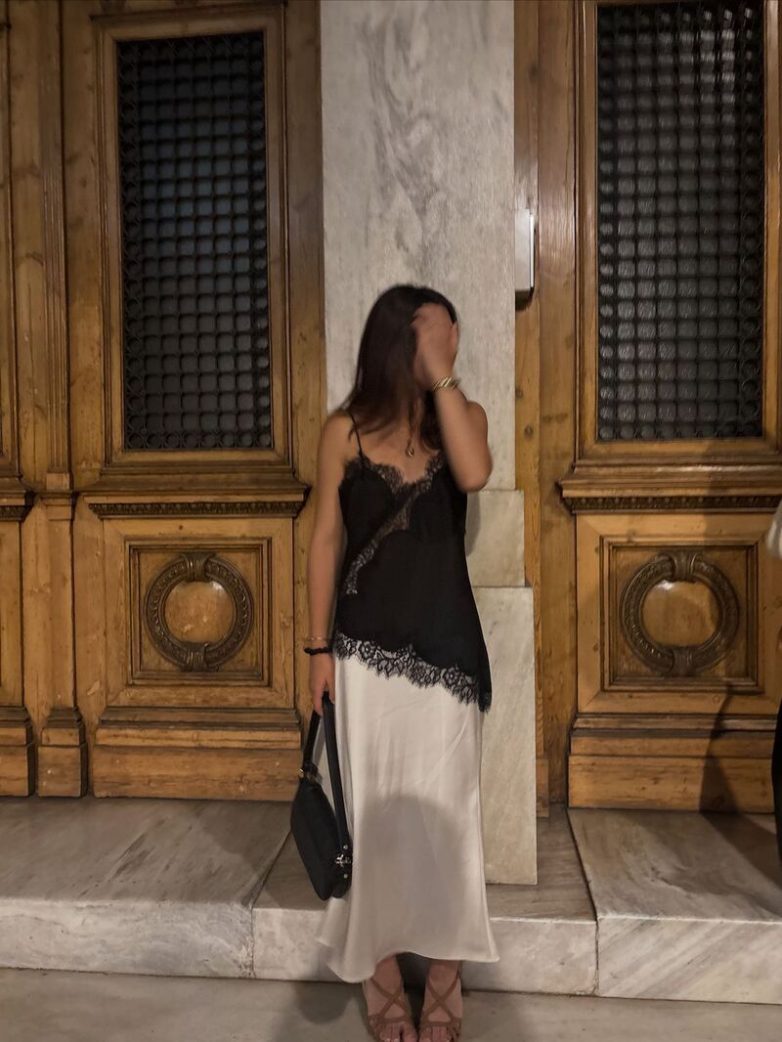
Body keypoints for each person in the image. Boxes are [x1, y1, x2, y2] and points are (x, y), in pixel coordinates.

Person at [305, 284, 499, 1042]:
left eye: (453, 335)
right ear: (399, 342)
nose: (452, 345)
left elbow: (474, 474)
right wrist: (316, 649)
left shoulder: (464, 418)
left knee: (450, 818)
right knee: (374, 818)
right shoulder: (344, 431)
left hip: (446, 652)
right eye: (435, 336)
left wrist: (442, 375)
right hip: (361, 655)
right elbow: (325, 540)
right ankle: (380, 972)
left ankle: (447, 974)